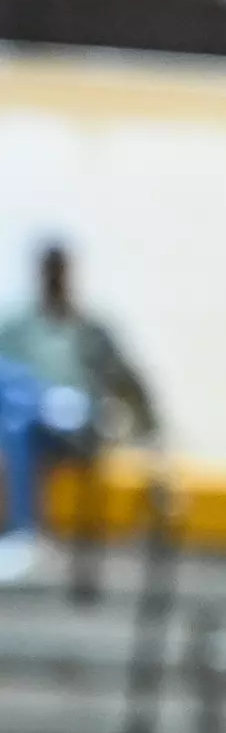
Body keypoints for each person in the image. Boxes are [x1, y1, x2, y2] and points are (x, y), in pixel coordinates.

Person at [0, 242, 155, 582]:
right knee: (16, 415)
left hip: (80, 428)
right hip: (30, 425)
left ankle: (25, 530)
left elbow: (130, 381)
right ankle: (25, 534)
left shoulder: (91, 330)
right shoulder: (17, 328)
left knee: (26, 415)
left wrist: (145, 433)